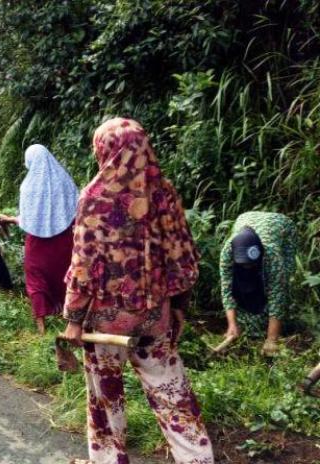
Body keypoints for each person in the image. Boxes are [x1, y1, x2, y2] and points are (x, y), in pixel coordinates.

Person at [61, 118, 213, 464]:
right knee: (173, 394)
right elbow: (181, 254)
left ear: (105, 150)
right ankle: (198, 458)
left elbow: (83, 265)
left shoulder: (95, 198)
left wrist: (72, 318)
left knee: (105, 402)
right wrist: (178, 306)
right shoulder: (164, 193)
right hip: (154, 318)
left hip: (103, 325)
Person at [0, 144, 78, 334]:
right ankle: (67, 315)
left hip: (37, 244)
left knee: (35, 278)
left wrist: (9, 219)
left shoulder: (28, 187)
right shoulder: (64, 181)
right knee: (64, 275)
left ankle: (41, 325)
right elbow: (77, 210)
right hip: (64, 242)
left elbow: (28, 220)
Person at [217, 211, 297, 356]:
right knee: (242, 282)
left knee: (281, 280)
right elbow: (227, 289)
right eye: (244, 265)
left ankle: (275, 324)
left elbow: (277, 295)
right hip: (245, 217)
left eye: (251, 265)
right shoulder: (227, 253)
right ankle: (245, 321)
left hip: (282, 226)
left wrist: (272, 339)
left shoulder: (272, 255)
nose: (247, 268)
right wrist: (232, 324)